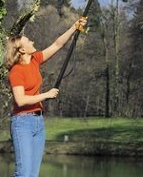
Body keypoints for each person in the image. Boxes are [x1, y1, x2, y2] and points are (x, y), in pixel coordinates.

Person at [5, 16, 87, 177]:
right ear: (21, 50)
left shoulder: (35, 60)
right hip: (22, 123)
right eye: (28, 41)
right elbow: (20, 100)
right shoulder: (16, 71)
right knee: (23, 173)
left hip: (38, 123)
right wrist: (46, 95)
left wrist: (74, 27)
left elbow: (57, 44)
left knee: (33, 174)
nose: (32, 42)